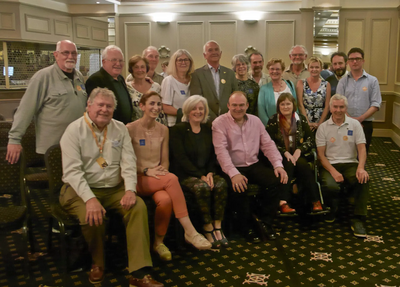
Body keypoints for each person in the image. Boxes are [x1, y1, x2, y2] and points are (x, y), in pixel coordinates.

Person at [60, 88, 163, 286]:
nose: (104, 110)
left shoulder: (119, 128)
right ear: (89, 106)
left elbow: (129, 161)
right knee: (92, 215)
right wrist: (90, 199)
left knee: (138, 207)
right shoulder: (74, 130)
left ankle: (139, 272)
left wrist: (130, 190)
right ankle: (98, 263)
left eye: (109, 106)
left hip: (114, 188)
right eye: (100, 105)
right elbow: (72, 172)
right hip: (80, 189)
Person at [126, 91, 212, 261]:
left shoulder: (164, 130)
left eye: (159, 104)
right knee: (172, 179)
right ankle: (190, 231)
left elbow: (164, 161)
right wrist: (145, 170)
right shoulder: (129, 128)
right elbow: (125, 161)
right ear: (142, 106)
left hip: (158, 178)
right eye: (151, 103)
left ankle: (158, 243)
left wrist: (161, 172)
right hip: (136, 178)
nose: (156, 107)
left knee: (165, 200)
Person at [212, 91, 288, 242]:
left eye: (241, 105)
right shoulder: (219, 123)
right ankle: (245, 228)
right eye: (234, 105)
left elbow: (268, 145)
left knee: (275, 180)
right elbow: (221, 152)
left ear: (247, 105)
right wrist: (234, 174)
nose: (238, 108)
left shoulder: (256, 121)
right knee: (239, 188)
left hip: (253, 164)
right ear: (228, 105)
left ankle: (265, 223)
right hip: (231, 167)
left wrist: (278, 165)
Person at [6, 40, 87, 164]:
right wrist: (14, 140)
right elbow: (25, 110)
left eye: (74, 53)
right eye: (65, 53)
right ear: (56, 55)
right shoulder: (43, 77)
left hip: (77, 144)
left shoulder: (79, 77)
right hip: (53, 147)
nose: (70, 56)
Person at [170, 95, 229, 248]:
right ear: (187, 111)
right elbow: (180, 158)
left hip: (205, 173)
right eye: (194, 108)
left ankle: (218, 226)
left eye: (201, 108)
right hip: (186, 175)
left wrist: (209, 173)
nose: (198, 111)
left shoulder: (208, 128)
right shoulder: (178, 130)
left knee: (221, 183)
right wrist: (200, 176)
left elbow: (212, 155)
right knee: (201, 187)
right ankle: (207, 227)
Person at [316, 94, 369, 238]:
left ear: (346, 108)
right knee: (330, 186)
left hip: (351, 163)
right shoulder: (323, 127)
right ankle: (332, 208)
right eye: (335, 107)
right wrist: (333, 171)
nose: (338, 110)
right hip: (330, 164)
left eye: (341, 107)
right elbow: (321, 155)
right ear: (330, 108)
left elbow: (362, 149)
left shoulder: (355, 124)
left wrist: (361, 168)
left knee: (363, 179)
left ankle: (358, 218)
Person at [266, 93, 323, 213]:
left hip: (299, 155)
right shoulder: (273, 120)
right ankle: (283, 201)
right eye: (282, 104)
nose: (285, 107)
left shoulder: (301, 119)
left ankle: (315, 200)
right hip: (280, 157)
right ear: (278, 106)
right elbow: (268, 142)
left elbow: (310, 139)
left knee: (303, 165)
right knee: (288, 164)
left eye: (288, 104)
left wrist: (299, 150)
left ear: (293, 105)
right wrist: (284, 152)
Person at [336, 47, 381, 153]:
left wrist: (360, 119)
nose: (354, 61)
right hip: (345, 122)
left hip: (365, 123)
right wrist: (351, 120)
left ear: (363, 61)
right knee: (346, 151)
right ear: (348, 62)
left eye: (358, 59)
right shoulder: (343, 81)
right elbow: (338, 103)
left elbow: (376, 104)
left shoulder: (372, 81)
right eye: (351, 59)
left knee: (363, 152)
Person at [190, 40, 238, 121]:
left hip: (228, 120)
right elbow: (197, 100)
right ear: (204, 55)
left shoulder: (230, 73)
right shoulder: (197, 74)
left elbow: (235, 96)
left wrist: (227, 117)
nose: (214, 52)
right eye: (210, 50)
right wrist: (214, 120)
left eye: (216, 50)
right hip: (206, 120)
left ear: (221, 53)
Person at [85, 45, 133, 124]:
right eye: (114, 60)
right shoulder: (95, 80)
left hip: (123, 129)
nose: (118, 64)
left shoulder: (120, 78)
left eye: (121, 60)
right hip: (107, 129)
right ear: (103, 62)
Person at [126, 55, 166, 124]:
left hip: (157, 125)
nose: (140, 70)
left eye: (142, 67)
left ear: (146, 69)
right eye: (136, 67)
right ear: (131, 69)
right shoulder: (127, 88)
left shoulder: (156, 87)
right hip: (136, 127)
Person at [258, 58, 297, 126]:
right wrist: (273, 127)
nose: (274, 71)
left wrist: (295, 123)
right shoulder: (263, 89)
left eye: (277, 69)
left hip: (291, 126)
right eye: (272, 69)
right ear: (269, 71)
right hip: (272, 129)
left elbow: (295, 106)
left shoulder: (290, 85)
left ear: (282, 71)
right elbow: (262, 113)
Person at [296, 56, 331, 131]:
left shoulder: (326, 84)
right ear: (308, 69)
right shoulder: (301, 83)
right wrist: (307, 123)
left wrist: (320, 124)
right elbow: (300, 104)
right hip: (305, 120)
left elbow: (327, 106)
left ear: (321, 69)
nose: (314, 69)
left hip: (322, 121)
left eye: (317, 67)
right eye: (311, 67)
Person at [161, 49, 195, 127]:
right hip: (175, 125)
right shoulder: (169, 80)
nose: (183, 62)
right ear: (174, 63)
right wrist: (184, 114)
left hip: (193, 123)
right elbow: (165, 107)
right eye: (180, 60)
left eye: (186, 59)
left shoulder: (194, 79)